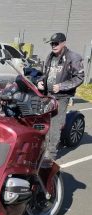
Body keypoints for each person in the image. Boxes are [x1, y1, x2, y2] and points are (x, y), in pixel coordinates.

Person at [37, 32, 84, 162]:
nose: (53, 45)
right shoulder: (50, 56)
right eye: (52, 43)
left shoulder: (73, 57)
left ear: (63, 43)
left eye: (56, 43)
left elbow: (79, 77)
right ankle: (41, 149)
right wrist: (41, 81)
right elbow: (45, 73)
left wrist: (62, 86)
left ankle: (50, 156)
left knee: (55, 126)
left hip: (61, 97)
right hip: (47, 95)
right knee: (44, 123)